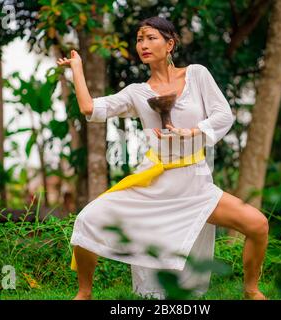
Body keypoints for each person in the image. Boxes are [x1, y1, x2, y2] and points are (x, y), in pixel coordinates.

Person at [57, 16, 269, 300]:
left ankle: (251, 290)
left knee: (257, 224)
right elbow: (90, 109)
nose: (143, 44)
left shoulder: (197, 75)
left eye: (150, 38)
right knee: (86, 219)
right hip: (154, 184)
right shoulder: (137, 92)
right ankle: (84, 293)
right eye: (139, 39)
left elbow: (223, 115)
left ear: (170, 44)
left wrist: (193, 132)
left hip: (195, 185)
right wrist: (77, 69)